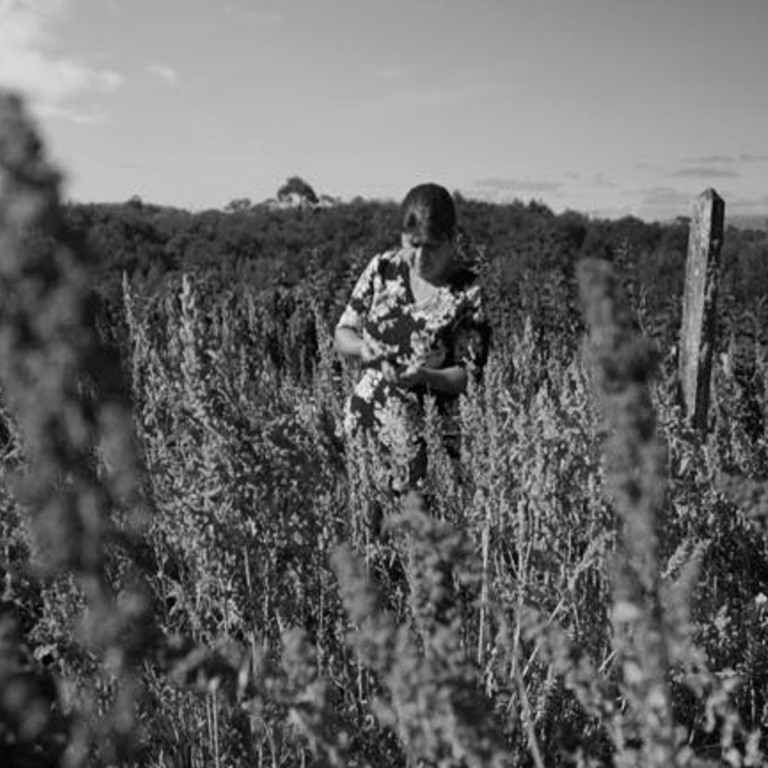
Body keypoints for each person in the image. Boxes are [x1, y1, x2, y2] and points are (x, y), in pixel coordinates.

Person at [334, 183, 490, 500]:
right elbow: (343, 333)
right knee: (366, 539)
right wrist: (363, 347)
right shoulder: (382, 268)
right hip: (365, 434)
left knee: (419, 540)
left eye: (431, 247)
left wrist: (423, 376)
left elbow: (469, 375)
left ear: (452, 240)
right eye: (412, 244)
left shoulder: (467, 291)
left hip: (427, 445)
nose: (419, 257)